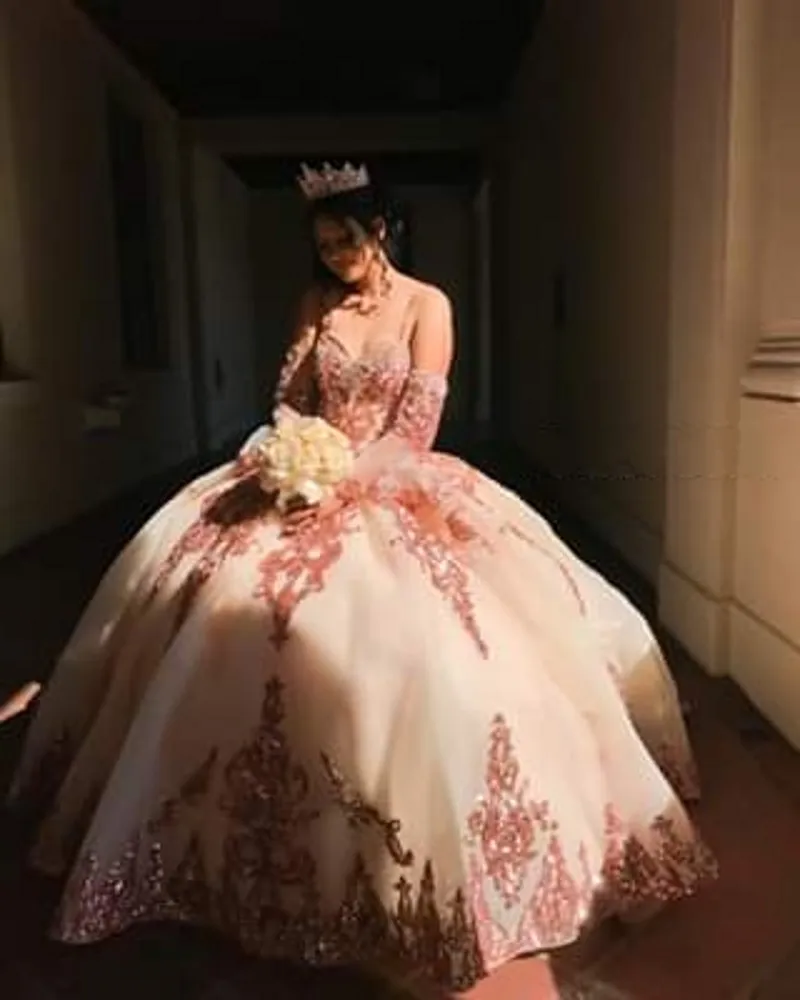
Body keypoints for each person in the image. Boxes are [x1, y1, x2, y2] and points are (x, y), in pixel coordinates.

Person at [7, 161, 716, 995]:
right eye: (322, 245)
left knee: (446, 642)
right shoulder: (316, 304)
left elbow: (418, 424)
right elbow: (290, 398)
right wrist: (290, 443)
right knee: (218, 599)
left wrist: (339, 477)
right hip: (300, 468)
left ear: (383, 228)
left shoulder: (428, 304)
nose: (336, 255)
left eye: (347, 238)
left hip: (392, 479)